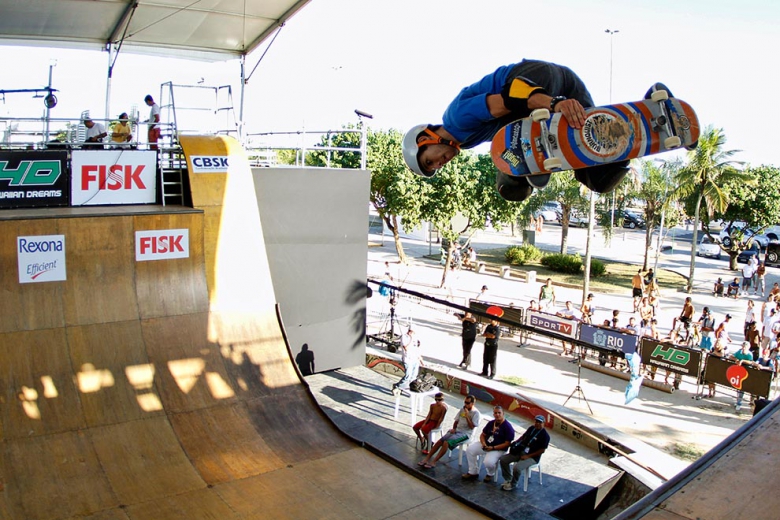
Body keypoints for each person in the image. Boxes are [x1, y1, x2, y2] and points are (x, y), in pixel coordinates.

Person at [402, 59, 642, 202]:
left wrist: (554, 103)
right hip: (567, 84)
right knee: (596, 175)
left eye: (429, 161)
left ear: (425, 139)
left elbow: (509, 99)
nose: (437, 165)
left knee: (509, 167)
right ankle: (650, 117)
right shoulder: (466, 141)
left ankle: (526, 167)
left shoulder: (455, 118)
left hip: (532, 81)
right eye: (432, 169)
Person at [418, 395, 481, 469]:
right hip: (457, 431)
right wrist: (454, 428)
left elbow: (472, 427)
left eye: (467, 403)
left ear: (472, 403)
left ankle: (434, 461)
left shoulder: (476, 413)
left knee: (446, 442)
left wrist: (467, 416)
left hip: (466, 434)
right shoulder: (462, 409)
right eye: (465, 402)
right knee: (440, 441)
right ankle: (427, 459)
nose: (465, 405)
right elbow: (456, 421)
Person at [463, 406, 515, 482]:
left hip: (498, 449)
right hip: (486, 445)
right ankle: (473, 471)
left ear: (503, 413)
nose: (497, 414)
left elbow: (507, 443)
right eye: (495, 413)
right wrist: (483, 443)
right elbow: (483, 435)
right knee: (470, 450)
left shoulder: (508, 427)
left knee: (488, 462)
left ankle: (490, 474)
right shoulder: (491, 423)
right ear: (493, 414)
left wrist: (493, 448)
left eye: (499, 413)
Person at [499, 415, 550, 491]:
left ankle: (513, 484)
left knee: (517, 468)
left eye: (540, 422)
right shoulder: (531, 428)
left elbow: (542, 450)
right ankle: (508, 479)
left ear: (543, 423)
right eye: (536, 421)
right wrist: (516, 443)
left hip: (532, 457)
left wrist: (528, 456)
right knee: (503, 460)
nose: (538, 424)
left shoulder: (545, 436)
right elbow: (523, 437)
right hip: (521, 451)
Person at [392, 327, 423, 395]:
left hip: (415, 359)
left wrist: (420, 358)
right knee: (407, 376)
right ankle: (397, 386)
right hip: (407, 359)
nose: (412, 333)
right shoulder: (404, 337)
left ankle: (411, 389)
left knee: (413, 376)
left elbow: (416, 348)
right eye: (411, 332)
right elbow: (405, 347)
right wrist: (411, 339)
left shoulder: (415, 337)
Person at [731, 342, 756, 410]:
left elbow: (751, 362)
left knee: (743, 388)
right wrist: (736, 359)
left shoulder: (749, 354)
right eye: (743, 346)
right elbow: (731, 356)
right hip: (738, 372)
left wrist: (742, 361)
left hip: (747, 373)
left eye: (745, 347)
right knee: (738, 388)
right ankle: (738, 402)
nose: (743, 348)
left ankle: (743, 402)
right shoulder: (739, 352)